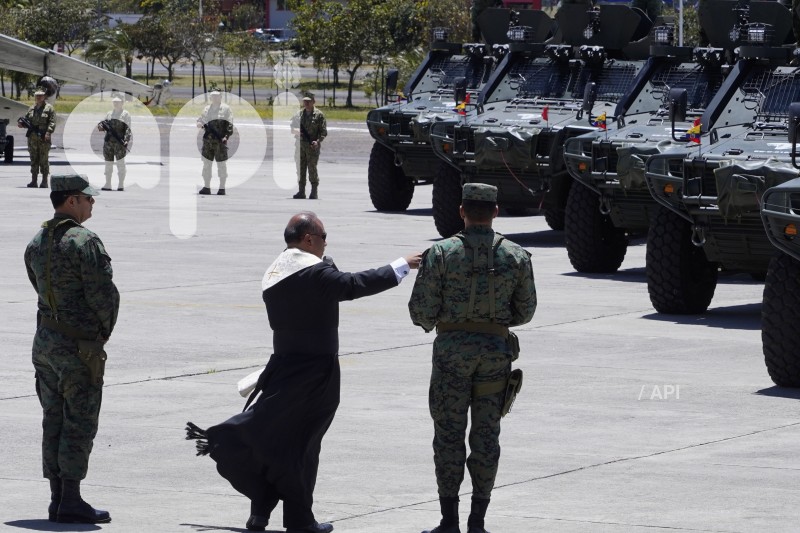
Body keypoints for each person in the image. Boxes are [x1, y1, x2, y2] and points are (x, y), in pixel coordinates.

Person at [186, 212, 422, 533]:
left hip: (281, 369)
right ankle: (299, 521)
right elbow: (353, 284)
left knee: (274, 440)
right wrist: (402, 264)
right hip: (314, 374)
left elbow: (323, 282)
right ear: (309, 239)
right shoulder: (314, 274)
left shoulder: (277, 271)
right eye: (324, 238)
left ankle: (260, 513)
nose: (326, 244)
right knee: (304, 446)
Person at [408, 184, 537, 533]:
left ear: (462, 210)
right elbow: (525, 312)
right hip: (495, 355)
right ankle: (477, 522)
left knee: (448, 434)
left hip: (451, 355)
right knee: (486, 436)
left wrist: (445, 323)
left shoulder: (441, 253)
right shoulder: (515, 256)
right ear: (495, 212)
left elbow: (420, 311)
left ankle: (448, 521)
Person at [24, 174, 120, 524]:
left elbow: (37, 287)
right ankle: (72, 499)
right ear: (70, 201)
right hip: (79, 346)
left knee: (54, 419)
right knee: (78, 421)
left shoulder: (38, 240)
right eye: (87, 198)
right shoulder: (84, 242)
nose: (92, 203)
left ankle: (57, 498)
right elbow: (103, 296)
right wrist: (102, 333)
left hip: (46, 342)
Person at [196, 90, 234, 195]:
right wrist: (199, 123)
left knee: (221, 165)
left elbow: (230, 123)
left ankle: (222, 188)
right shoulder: (207, 109)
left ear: (220, 97)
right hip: (208, 141)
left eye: (217, 97)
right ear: (210, 98)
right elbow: (201, 119)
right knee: (206, 164)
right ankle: (206, 187)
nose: (215, 98)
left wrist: (226, 136)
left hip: (220, 141)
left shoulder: (226, 109)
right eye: (213, 97)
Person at [18, 88, 56, 189]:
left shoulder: (49, 108)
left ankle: (44, 181)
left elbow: (52, 122)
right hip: (32, 138)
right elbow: (26, 120)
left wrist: (48, 132)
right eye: (37, 95)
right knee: (33, 159)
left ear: (44, 97)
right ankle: (34, 181)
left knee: (44, 159)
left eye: (41, 95)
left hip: (43, 137)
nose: (38, 97)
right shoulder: (31, 108)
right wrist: (21, 124)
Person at [291, 95, 327, 199]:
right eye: (304, 101)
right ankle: (301, 191)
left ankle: (314, 191)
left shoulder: (319, 115)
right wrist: (296, 131)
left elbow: (323, 132)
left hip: (312, 146)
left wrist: (318, 141)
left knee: (312, 169)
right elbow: (292, 128)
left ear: (313, 101)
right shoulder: (299, 114)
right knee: (300, 169)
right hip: (300, 145)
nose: (306, 103)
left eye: (308, 101)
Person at [98, 96, 131, 191]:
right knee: (108, 163)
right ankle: (108, 183)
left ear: (122, 103)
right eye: (114, 102)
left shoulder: (125, 114)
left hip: (119, 143)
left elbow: (128, 128)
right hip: (108, 143)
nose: (115, 103)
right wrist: (100, 126)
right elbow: (103, 124)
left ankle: (121, 184)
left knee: (120, 164)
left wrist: (126, 139)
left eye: (118, 102)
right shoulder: (109, 113)